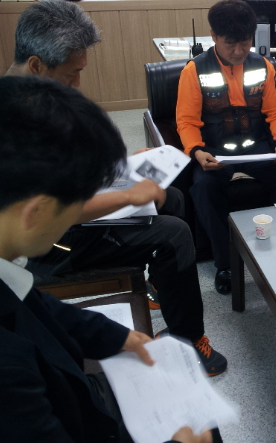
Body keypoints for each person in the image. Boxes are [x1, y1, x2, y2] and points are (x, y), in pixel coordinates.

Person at [6, 0, 227, 376]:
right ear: (37, 65)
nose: (78, 83)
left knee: (172, 197)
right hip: (52, 245)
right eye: (72, 74)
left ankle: (160, 286)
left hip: (68, 216)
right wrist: (127, 195)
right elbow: (49, 212)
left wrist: (124, 168)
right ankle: (189, 340)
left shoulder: (31, 95)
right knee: (174, 234)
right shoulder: (17, 122)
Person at [0, 75, 220, 443]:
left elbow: (35, 307)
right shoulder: (9, 373)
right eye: (76, 203)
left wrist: (119, 337)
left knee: (195, 409)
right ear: (35, 213)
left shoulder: (10, 276)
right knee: (197, 420)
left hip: (71, 392)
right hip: (65, 408)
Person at [176, 0, 276, 294]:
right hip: (215, 151)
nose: (238, 51)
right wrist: (196, 151)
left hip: (257, 147)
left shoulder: (263, 66)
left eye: (244, 43)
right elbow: (186, 122)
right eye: (230, 44)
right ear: (214, 36)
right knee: (204, 187)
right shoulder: (194, 71)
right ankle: (225, 263)